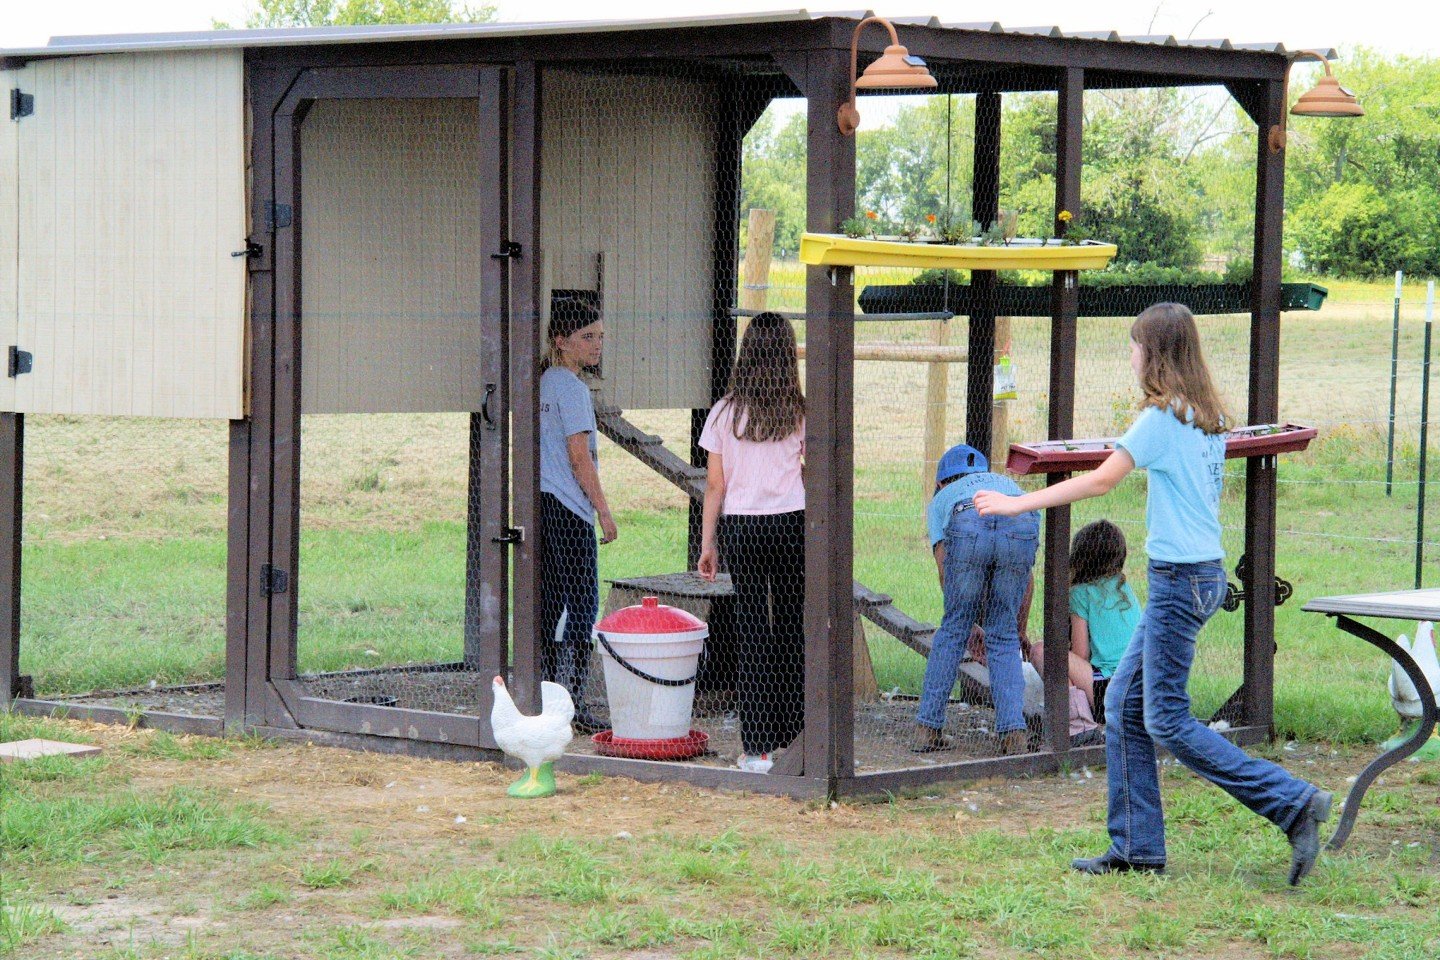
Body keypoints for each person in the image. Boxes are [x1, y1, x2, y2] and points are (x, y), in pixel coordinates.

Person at [975, 302, 1331, 885]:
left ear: (1156, 354)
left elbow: (1101, 479)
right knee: (1123, 707)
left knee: (1165, 718)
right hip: (1199, 576)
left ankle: (1292, 803)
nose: (1130, 354)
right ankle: (1137, 846)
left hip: (1179, 580)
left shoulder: (1161, 419)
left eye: (1135, 345)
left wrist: (1016, 501)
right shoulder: (1204, 415)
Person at [696, 312, 805, 774]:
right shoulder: (800, 409)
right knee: (790, 625)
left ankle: (756, 747)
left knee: (752, 629)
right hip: (790, 524)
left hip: (741, 527)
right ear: (787, 354)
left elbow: (715, 484)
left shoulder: (724, 411)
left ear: (745, 354)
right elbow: (810, 471)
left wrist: (708, 542)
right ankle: (794, 736)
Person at [914, 443, 1040, 756]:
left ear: (942, 481)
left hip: (966, 520)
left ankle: (927, 729)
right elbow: (1028, 581)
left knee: (952, 631)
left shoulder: (943, 497)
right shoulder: (1002, 483)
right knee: (1004, 635)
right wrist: (1019, 628)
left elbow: (945, 567)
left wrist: (965, 620)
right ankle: (1013, 735)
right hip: (1020, 517)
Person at [538, 297, 615, 734]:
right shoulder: (573, 388)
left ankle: (546, 692)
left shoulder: (545, 382)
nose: (596, 344)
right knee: (583, 606)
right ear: (561, 341)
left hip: (545, 504)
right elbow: (579, 456)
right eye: (588, 337)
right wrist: (603, 511)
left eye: (600, 336)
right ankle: (571, 702)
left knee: (550, 604)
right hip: (569, 507)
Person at [1029, 519, 1142, 715]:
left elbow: (1081, 654)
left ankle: (1078, 723)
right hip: (1143, 689)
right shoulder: (1123, 587)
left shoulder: (1080, 594)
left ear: (1079, 558)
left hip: (1110, 691)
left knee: (1041, 651)